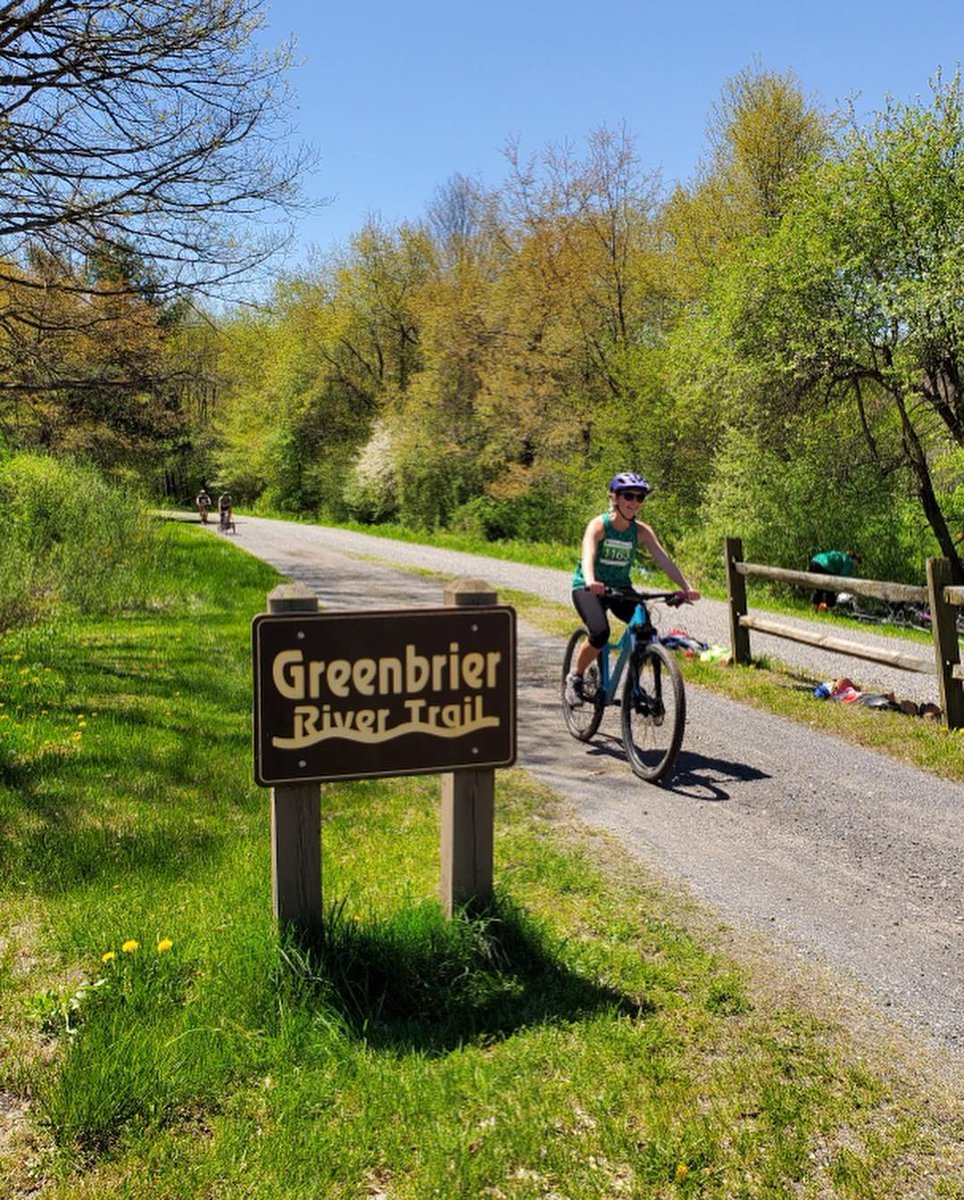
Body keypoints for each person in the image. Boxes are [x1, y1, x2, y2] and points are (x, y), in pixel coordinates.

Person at [565, 472, 700, 706]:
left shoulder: (641, 531)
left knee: (645, 631)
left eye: (640, 498)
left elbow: (663, 560)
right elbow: (588, 554)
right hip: (588, 588)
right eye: (629, 496)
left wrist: (685, 587)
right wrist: (590, 580)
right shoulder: (599, 525)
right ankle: (575, 677)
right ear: (614, 498)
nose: (634, 502)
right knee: (599, 633)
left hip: (620, 589)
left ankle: (634, 689)